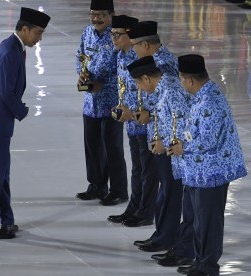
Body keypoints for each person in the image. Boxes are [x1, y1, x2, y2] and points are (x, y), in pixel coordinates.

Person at [0, 7, 50, 239]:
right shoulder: (10, 52)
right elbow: (5, 92)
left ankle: (6, 218)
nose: (40, 38)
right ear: (24, 29)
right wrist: (22, 111)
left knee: (2, 171)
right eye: (37, 32)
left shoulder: (15, 47)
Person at [168, 54, 247, 276]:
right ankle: (200, 261)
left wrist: (182, 147)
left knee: (209, 223)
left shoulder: (210, 101)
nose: (181, 84)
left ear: (190, 80)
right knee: (198, 220)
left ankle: (208, 267)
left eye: (181, 79)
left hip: (213, 172)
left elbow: (208, 140)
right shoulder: (200, 96)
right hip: (198, 171)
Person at [127, 21, 184, 254]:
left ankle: (166, 237)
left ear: (147, 45)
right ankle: (161, 234)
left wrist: (161, 134)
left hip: (169, 140)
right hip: (157, 133)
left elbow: (175, 111)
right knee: (165, 189)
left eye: (136, 47)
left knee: (169, 190)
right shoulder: (157, 63)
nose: (134, 52)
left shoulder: (165, 68)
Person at [106, 15, 159, 227]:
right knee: (137, 169)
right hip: (131, 123)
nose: (114, 39)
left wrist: (140, 112)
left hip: (146, 122)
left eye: (118, 35)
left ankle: (146, 211)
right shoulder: (121, 56)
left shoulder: (148, 60)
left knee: (148, 170)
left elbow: (155, 93)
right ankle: (134, 207)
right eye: (112, 34)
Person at [75, 0, 129, 206]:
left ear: (112, 14)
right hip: (90, 102)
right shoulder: (87, 32)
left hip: (112, 102)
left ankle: (118, 190)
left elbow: (124, 71)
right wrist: (81, 75)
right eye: (92, 14)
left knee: (112, 147)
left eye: (101, 14)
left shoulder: (117, 37)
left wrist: (102, 85)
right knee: (92, 145)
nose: (96, 18)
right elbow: (80, 55)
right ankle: (96, 185)